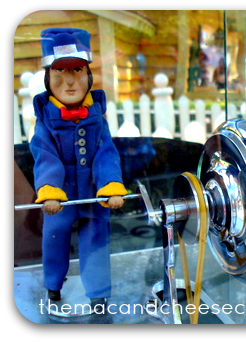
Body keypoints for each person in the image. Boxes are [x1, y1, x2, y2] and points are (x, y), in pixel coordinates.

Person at [30, 28, 127, 311]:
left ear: (88, 74)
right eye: (61, 72)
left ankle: (98, 293)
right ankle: (52, 287)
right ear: (49, 77)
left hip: (94, 194)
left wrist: (109, 184)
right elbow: (44, 155)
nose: (70, 81)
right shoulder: (45, 120)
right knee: (54, 238)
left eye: (78, 70)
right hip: (58, 198)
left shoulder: (97, 116)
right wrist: (49, 190)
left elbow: (106, 152)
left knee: (96, 238)